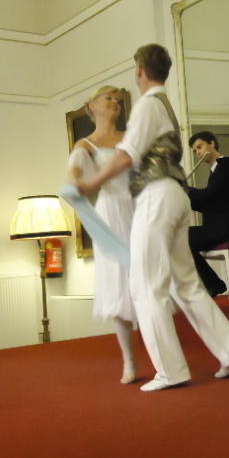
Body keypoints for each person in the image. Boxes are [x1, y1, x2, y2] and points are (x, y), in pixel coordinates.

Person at [77, 44, 229, 392]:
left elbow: (126, 156)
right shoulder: (165, 105)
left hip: (156, 198)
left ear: (140, 71)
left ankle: (170, 371)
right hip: (176, 196)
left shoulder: (147, 105)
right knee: (185, 282)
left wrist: (92, 183)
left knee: (145, 285)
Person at [67, 85, 137, 384]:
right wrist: (75, 183)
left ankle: (163, 355)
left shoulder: (131, 137)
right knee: (117, 282)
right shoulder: (85, 145)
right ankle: (129, 360)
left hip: (139, 208)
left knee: (146, 279)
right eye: (108, 98)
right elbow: (74, 176)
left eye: (118, 100)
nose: (115, 103)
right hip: (111, 213)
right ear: (92, 106)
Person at [187, 131, 229, 297]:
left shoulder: (227, 166)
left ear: (212, 143)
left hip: (228, 228)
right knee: (178, 238)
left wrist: (185, 189)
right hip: (216, 227)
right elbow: (211, 203)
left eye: (199, 147)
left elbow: (210, 195)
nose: (198, 153)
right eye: (195, 151)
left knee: (181, 238)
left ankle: (213, 284)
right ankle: (213, 283)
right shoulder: (215, 170)